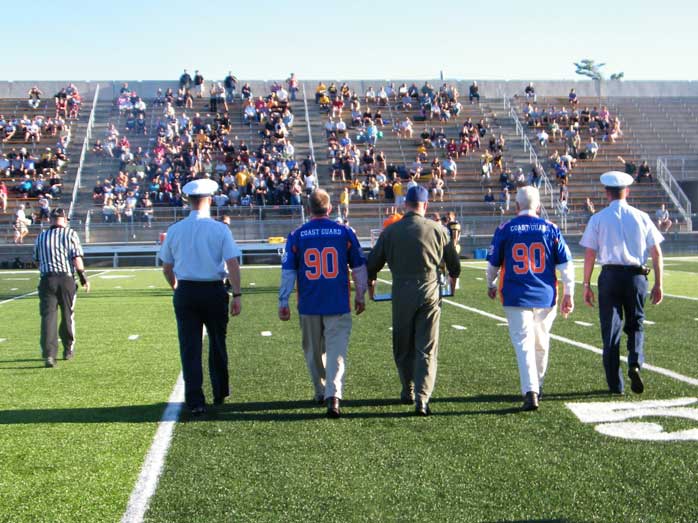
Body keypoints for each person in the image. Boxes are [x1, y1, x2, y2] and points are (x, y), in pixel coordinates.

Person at [366, 186, 461, 416]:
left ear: (405, 205)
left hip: (401, 290)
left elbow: (371, 266)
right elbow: (454, 267)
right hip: (429, 290)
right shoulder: (439, 230)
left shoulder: (391, 232)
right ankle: (422, 397)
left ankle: (407, 388)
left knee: (403, 344)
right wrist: (452, 283)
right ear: (425, 206)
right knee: (426, 347)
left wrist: (369, 289)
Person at [278, 189, 367, 418]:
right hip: (337, 301)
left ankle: (321, 390)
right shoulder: (344, 231)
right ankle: (333, 395)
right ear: (330, 208)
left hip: (308, 302)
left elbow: (288, 271)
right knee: (337, 351)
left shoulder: (297, 234)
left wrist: (283, 299)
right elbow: (358, 267)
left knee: (313, 351)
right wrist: (360, 294)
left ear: (308, 209)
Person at [485, 187, 575, 411]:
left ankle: (531, 391)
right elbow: (566, 266)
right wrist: (568, 293)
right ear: (537, 206)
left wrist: (491, 283)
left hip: (515, 293)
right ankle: (537, 386)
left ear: (516, 206)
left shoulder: (506, 228)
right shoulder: (551, 228)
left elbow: (493, 264)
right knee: (541, 342)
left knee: (524, 344)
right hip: (545, 294)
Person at [159, 178, 243, 415]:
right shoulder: (219, 228)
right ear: (209, 199)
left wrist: (176, 286)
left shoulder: (175, 229)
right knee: (217, 343)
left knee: (190, 347)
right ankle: (220, 391)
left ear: (188, 200)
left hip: (186, 290)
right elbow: (233, 263)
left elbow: (166, 266)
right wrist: (237, 294)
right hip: (214, 290)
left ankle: (195, 399)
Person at [580, 171, 664, 395]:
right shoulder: (642, 216)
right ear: (627, 191)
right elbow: (656, 253)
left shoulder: (598, 218)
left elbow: (589, 254)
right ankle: (635, 362)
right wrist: (659, 284)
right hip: (636, 276)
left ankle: (615, 384)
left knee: (611, 331)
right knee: (636, 324)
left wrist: (586, 285)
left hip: (609, 276)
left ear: (606, 192)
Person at [33, 208, 90, 367]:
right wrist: (83, 277)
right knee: (67, 314)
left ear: (50, 219)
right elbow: (76, 258)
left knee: (48, 317)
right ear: (64, 219)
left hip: (47, 279)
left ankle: (49, 355)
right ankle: (67, 349)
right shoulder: (70, 234)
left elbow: (36, 259)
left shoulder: (41, 236)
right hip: (66, 278)